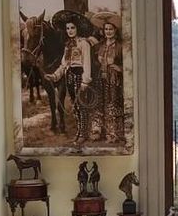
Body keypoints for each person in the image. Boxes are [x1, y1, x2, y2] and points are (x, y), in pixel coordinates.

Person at [46, 11, 93, 145]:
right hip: (70, 77)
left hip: (80, 76)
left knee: (82, 105)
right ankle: (79, 131)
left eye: (72, 28)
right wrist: (54, 75)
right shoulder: (68, 45)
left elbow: (87, 63)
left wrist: (85, 81)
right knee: (75, 106)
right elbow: (64, 64)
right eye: (67, 28)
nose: (70, 31)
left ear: (77, 28)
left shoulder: (83, 43)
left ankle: (84, 133)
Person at [90, 12, 124, 143]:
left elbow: (128, 64)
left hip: (114, 80)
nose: (108, 31)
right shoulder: (98, 46)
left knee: (112, 104)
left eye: (110, 29)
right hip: (100, 79)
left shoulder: (120, 47)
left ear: (115, 31)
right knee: (98, 104)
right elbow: (93, 62)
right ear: (103, 31)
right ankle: (97, 131)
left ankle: (113, 133)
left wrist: (119, 68)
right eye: (106, 29)